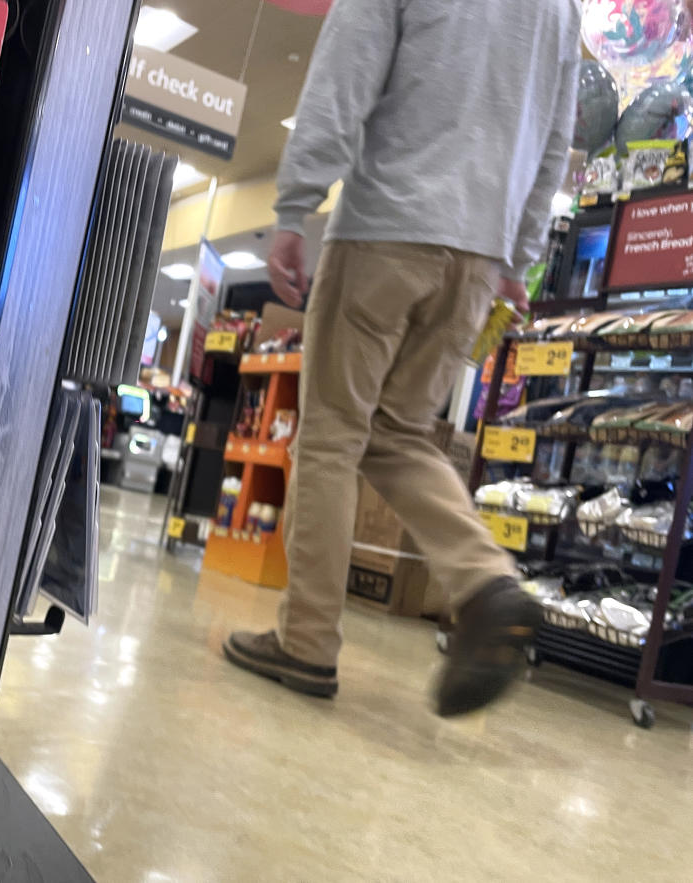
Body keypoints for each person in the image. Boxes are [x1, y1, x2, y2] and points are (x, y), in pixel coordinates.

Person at [223, 0, 581, 717]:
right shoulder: (561, 9)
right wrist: (518, 257)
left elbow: (342, 77)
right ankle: (485, 580)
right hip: (479, 257)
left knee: (331, 436)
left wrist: (293, 209)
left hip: (387, 230)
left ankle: (307, 640)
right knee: (398, 433)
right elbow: (553, 141)